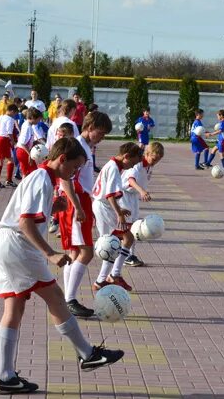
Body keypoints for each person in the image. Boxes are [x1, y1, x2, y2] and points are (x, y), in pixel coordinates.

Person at [0, 137, 124, 393]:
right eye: (74, 168)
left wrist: (53, 207)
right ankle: (87, 354)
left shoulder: (42, 178)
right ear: (62, 159)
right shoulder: (41, 179)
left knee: (14, 307)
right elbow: (25, 223)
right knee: (55, 296)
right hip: (18, 245)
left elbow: (26, 213)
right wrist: (50, 253)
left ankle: (5, 376)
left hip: (7, 244)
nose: (74, 174)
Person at [59, 111, 113, 317]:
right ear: (89, 128)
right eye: (100, 132)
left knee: (74, 253)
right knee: (87, 253)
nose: (102, 137)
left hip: (80, 202)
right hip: (76, 203)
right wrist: (77, 206)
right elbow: (66, 178)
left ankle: (67, 299)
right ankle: (70, 300)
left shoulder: (87, 148)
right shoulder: (77, 146)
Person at [92, 142, 144, 293]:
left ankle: (111, 276)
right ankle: (104, 279)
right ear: (126, 156)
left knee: (125, 239)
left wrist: (119, 209)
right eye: (132, 163)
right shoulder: (114, 168)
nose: (131, 167)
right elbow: (109, 195)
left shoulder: (113, 165)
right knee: (116, 242)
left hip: (104, 206)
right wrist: (119, 213)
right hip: (104, 208)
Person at [121, 142, 165, 268]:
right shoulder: (138, 165)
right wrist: (142, 191)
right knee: (128, 227)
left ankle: (130, 254)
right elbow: (130, 180)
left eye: (158, 160)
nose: (155, 162)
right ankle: (125, 255)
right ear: (147, 154)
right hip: (125, 196)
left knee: (135, 226)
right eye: (153, 159)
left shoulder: (149, 166)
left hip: (133, 197)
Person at [0, 104, 19, 189]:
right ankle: (8, 180)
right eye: (15, 113)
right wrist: (13, 141)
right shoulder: (10, 119)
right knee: (11, 159)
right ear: (12, 111)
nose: (15, 115)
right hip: (3, 139)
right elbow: (9, 132)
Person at [15, 108, 40, 178]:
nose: (39, 121)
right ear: (32, 118)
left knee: (26, 173)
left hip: (21, 150)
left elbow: (26, 140)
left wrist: (36, 142)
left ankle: (23, 188)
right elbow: (23, 143)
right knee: (33, 173)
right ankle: (27, 188)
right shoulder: (27, 127)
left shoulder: (26, 124)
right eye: (38, 119)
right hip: (23, 152)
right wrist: (30, 155)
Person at [204, 109, 224, 175]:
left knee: (222, 155)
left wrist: (211, 134)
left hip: (223, 141)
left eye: (218, 116)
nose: (217, 117)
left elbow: (220, 131)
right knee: (213, 150)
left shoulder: (223, 122)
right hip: (221, 140)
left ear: (221, 115)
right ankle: (207, 163)